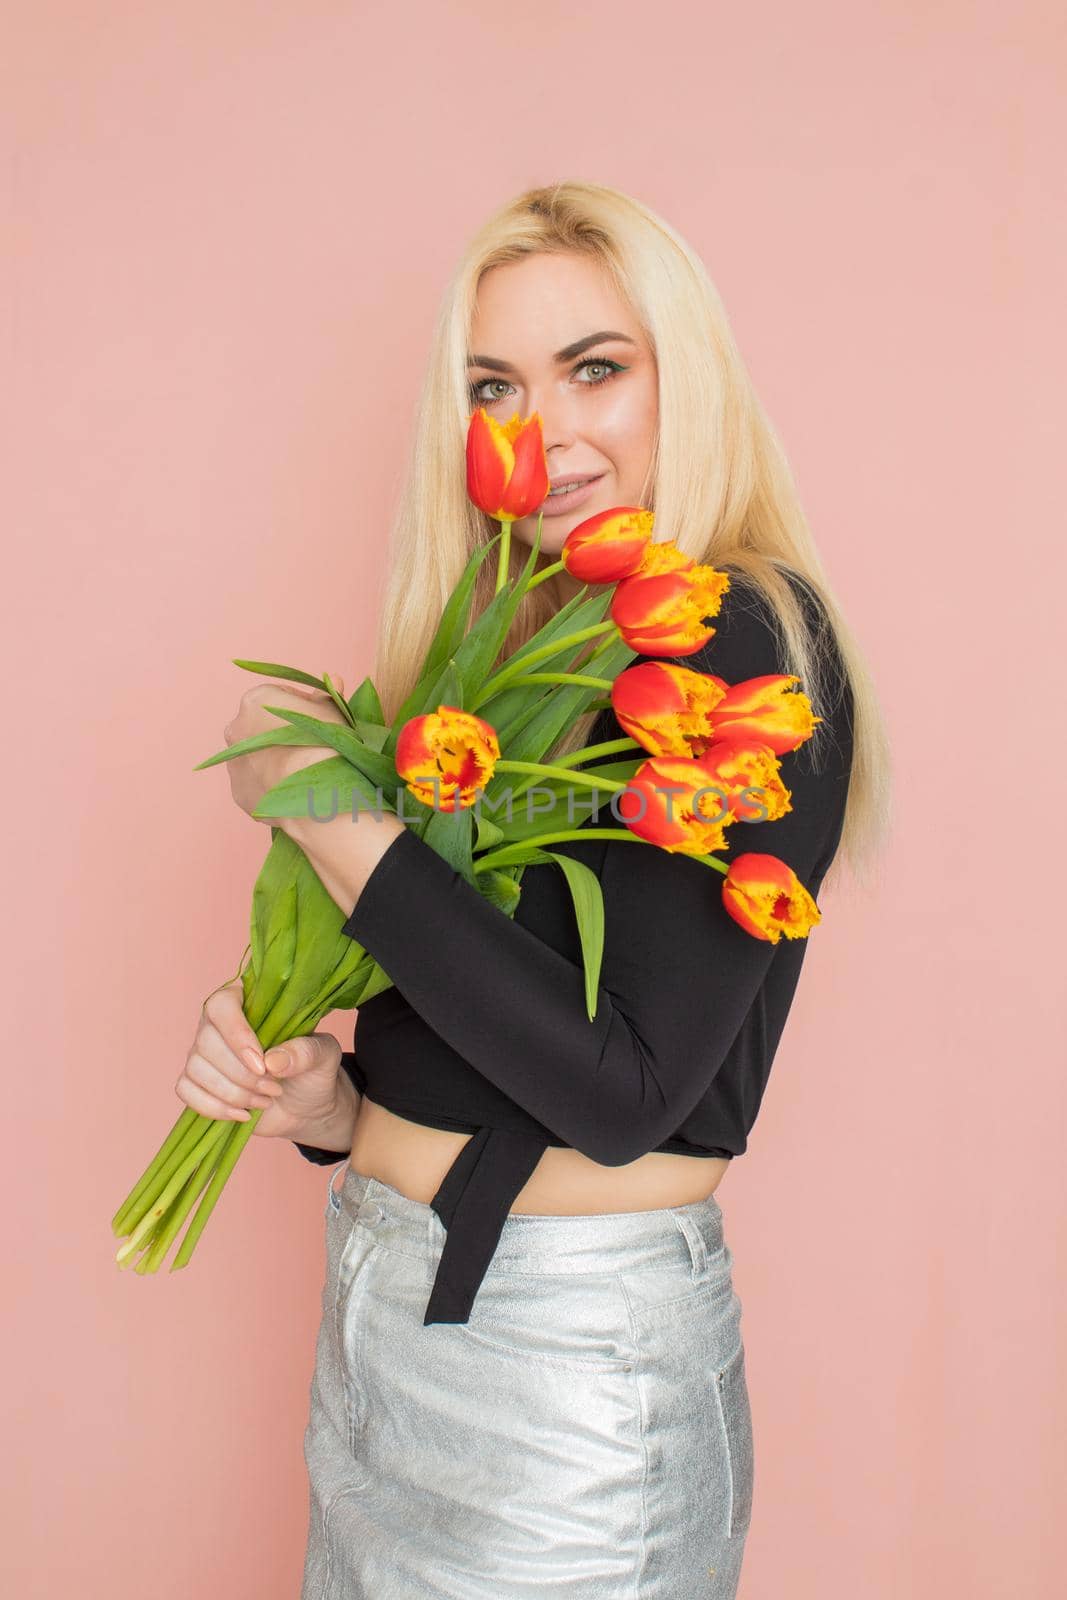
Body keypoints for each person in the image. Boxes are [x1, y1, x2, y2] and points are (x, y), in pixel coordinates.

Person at [176, 181, 891, 1598]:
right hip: (390, 1321)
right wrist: (333, 1105)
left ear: (689, 381)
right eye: (495, 384)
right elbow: (505, 1017)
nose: (545, 432)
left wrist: (336, 823)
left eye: (596, 369)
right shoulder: (526, 641)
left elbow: (625, 1091)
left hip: (564, 1373)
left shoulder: (736, 637)